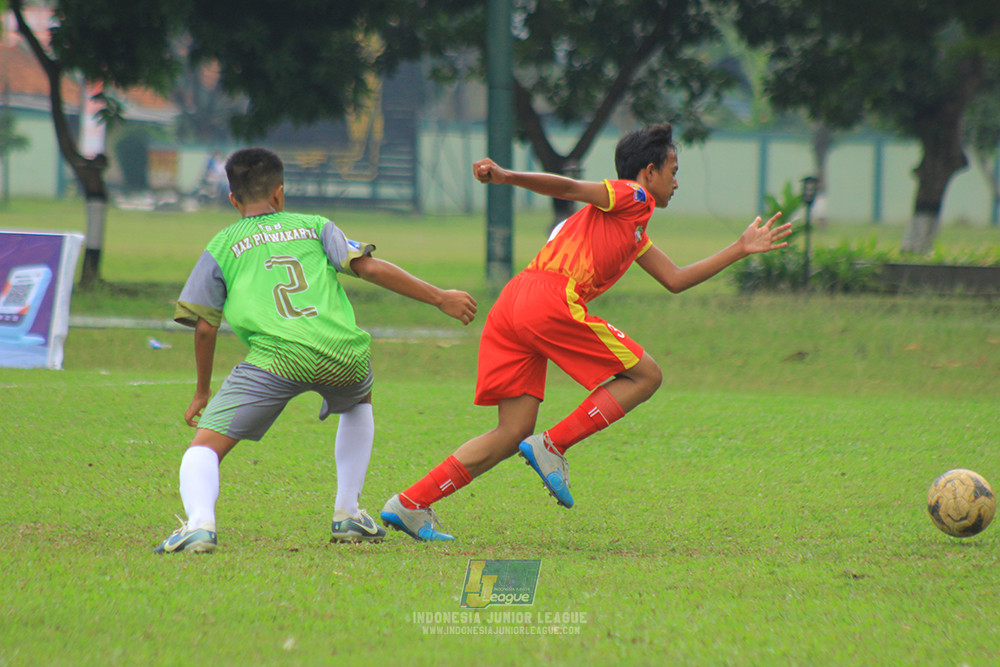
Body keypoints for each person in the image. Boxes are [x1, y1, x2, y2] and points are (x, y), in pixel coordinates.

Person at [379, 123, 791, 541]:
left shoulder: (631, 228)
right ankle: (553, 445)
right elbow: (572, 187)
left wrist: (740, 248)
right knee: (646, 375)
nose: (676, 182)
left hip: (512, 303)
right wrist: (507, 177)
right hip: (549, 298)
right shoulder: (634, 196)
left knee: (512, 432)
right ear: (649, 172)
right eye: (673, 171)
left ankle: (412, 503)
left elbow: (676, 278)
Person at [155, 147, 478, 553]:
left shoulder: (221, 245)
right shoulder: (314, 226)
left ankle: (199, 525)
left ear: (233, 199)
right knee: (359, 401)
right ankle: (347, 513)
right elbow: (371, 268)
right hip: (342, 351)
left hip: (276, 357)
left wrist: (202, 391)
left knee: (205, 446)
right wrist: (439, 297)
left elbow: (205, 327)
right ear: (280, 194)